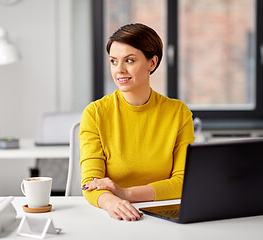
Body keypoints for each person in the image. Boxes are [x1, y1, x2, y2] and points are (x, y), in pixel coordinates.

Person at [79, 23, 195, 221]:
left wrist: (126, 193)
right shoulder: (96, 113)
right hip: (114, 216)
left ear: (152, 63)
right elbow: (90, 183)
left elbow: (183, 181)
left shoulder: (178, 112)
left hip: (165, 216)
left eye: (129, 60)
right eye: (113, 61)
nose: (119, 70)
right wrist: (112, 202)